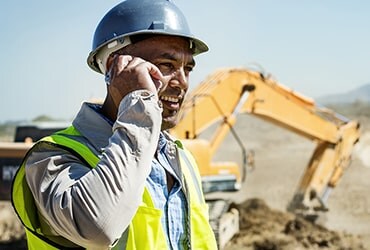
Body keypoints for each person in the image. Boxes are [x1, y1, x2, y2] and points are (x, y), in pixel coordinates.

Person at [12, 0, 218, 249]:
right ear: (115, 66)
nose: (182, 82)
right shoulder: (52, 158)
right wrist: (139, 105)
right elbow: (98, 228)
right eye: (167, 66)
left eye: (187, 69)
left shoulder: (183, 160)